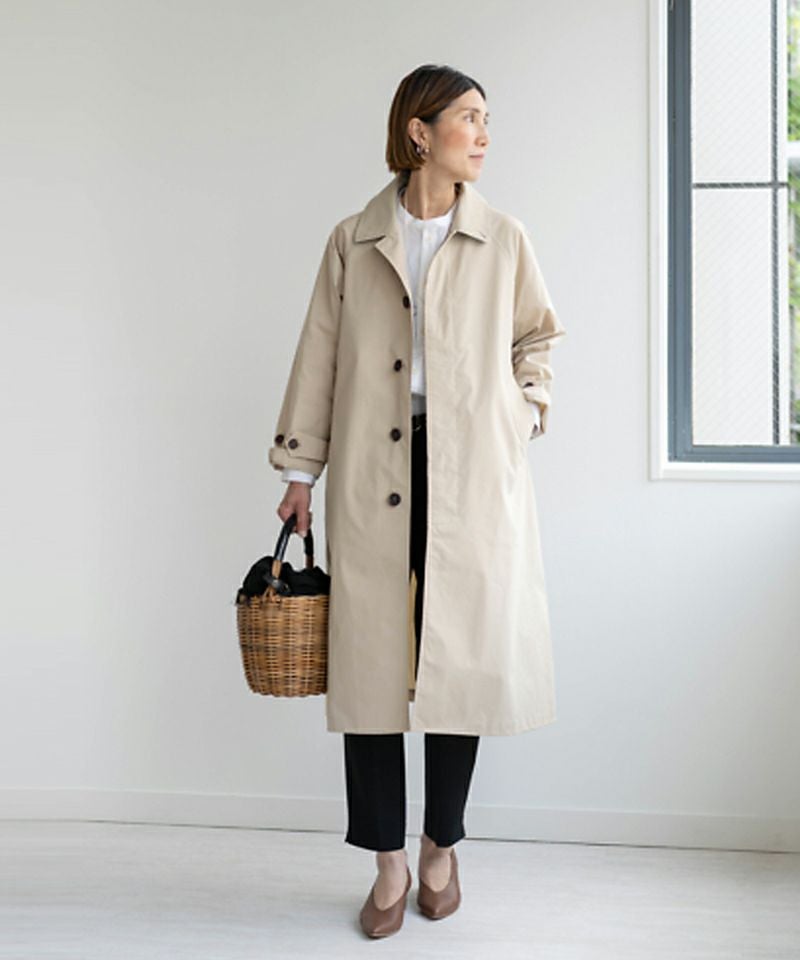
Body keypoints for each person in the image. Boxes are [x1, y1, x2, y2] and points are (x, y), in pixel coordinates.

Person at [270, 63, 565, 938]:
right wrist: (299, 472)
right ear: (419, 132)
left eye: (486, 119)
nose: (484, 134)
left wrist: (524, 409)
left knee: (455, 661)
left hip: (469, 466)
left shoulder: (503, 238)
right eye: (469, 118)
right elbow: (320, 354)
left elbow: (538, 337)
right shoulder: (354, 240)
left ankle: (441, 845)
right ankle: (387, 862)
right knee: (369, 670)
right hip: (374, 463)